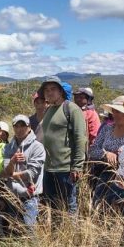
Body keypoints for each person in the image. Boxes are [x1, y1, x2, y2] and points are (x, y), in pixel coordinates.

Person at [38, 76, 88, 217]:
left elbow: (80, 138)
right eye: (46, 90)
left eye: (53, 89)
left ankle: (71, 230)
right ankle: (57, 230)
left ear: (60, 91)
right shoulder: (48, 110)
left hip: (65, 168)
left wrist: (77, 166)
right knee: (53, 205)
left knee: (69, 205)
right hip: (48, 167)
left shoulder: (71, 109)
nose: (49, 92)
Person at [1, 115, 45, 230]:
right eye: (16, 126)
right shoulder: (8, 148)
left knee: (29, 228)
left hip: (30, 196)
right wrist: (12, 161)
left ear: (29, 127)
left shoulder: (38, 147)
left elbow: (31, 174)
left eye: (23, 126)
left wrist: (11, 174)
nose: (19, 129)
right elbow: (5, 170)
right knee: (13, 230)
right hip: (12, 195)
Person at [88, 96, 124, 204]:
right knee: (98, 206)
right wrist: (106, 154)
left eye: (119, 111)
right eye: (114, 111)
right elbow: (93, 150)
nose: (115, 114)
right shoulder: (107, 128)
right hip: (102, 175)